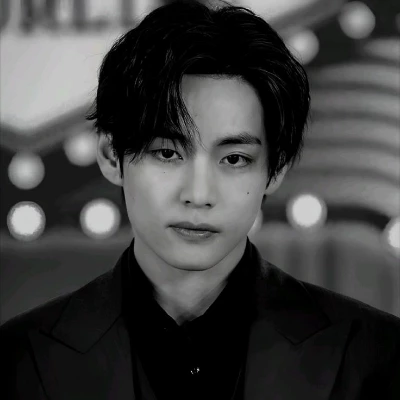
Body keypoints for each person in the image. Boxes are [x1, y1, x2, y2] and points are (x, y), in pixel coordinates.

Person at [1, 1, 399, 399]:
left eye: (234, 159)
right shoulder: (17, 360)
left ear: (275, 169)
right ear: (110, 156)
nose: (198, 195)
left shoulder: (376, 356)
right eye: (167, 153)